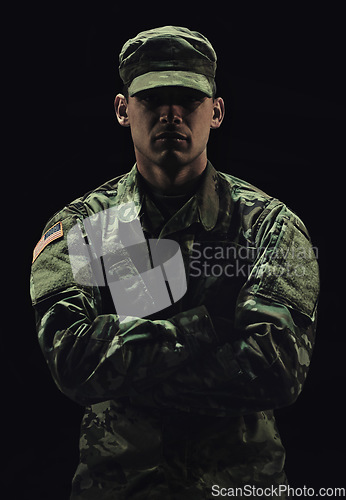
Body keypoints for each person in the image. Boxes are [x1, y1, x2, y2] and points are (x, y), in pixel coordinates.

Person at [30, 26, 319, 500]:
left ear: (216, 111)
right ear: (124, 109)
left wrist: (124, 375)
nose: (171, 113)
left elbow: (277, 370)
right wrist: (207, 329)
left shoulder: (268, 225)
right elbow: (72, 359)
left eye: (186, 98)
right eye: (153, 98)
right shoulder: (89, 225)